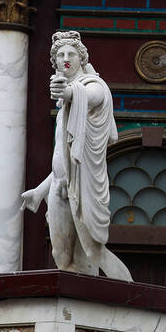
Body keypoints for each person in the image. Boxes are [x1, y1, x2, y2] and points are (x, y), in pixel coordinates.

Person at [21, 30, 132, 280]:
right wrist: (40, 190)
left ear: (81, 58)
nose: (65, 58)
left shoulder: (94, 87)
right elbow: (62, 156)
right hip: (58, 186)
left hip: (82, 186)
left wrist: (68, 92)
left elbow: (92, 97)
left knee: (93, 252)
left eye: (71, 53)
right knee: (62, 255)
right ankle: (74, 307)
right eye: (60, 55)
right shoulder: (65, 104)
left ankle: (126, 293)